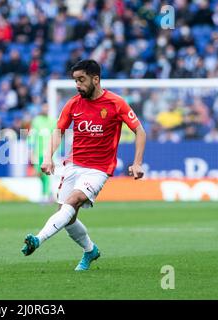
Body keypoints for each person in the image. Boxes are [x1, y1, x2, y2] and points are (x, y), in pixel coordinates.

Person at [21, 60, 146, 271]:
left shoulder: (116, 103)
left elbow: (140, 131)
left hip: (99, 169)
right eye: (75, 81)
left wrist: (137, 163)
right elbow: (58, 130)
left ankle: (38, 239)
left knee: (74, 200)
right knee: (67, 216)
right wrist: (48, 157)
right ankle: (90, 251)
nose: (77, 85)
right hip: (73, 165)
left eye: (81, 80)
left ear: (95, 79)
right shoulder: (73, 103)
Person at [28, 103, 56, 203]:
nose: (45, 109)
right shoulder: (36, 121)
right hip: (38, 152)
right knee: (39, 174)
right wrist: (31, 151)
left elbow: (56, 137)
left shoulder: (53, 121)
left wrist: (56, 152)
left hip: (49, 153)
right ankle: (49, 193)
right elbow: (32, 135)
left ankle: (45, 195)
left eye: (47, 107)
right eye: (44, 107)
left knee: (46, 174)